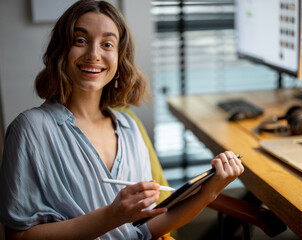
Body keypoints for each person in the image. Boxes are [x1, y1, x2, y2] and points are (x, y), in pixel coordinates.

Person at [0, 0, 244, 239]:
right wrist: (111, 217)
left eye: (107, 44)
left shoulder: (129, 128)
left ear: (119, 59)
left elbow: (145, 229)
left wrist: (209, 192)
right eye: (81, 40)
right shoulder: (30, 130)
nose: (93, 54)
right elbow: (18, 235)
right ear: (61, 50)